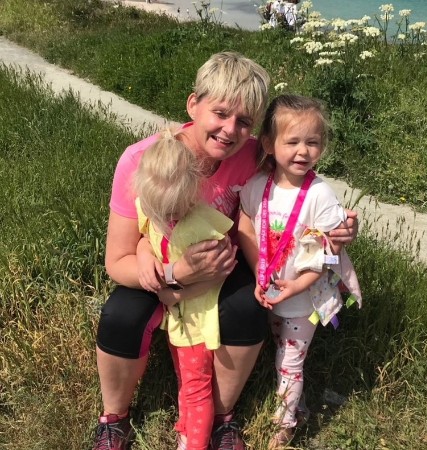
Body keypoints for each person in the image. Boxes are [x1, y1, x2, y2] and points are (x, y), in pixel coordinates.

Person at [93, 51, 358, 450]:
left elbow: (298, 184)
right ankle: (114, 419)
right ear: (193, 104)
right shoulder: (143, 160)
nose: (230, 130)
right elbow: (117, 261)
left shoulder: (253, 156)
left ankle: (222, 417)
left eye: (244, 121)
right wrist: (173, 278)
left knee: (247, 309)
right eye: (220, 113)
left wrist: (336, 225)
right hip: (158, 269)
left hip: (222, 270)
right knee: (121, 315)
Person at [238, 94, 362, 449]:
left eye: (312, 142)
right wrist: (259, 274)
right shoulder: (256, 186)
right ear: (268, 144)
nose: (303, 151)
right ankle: (300, 405)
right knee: (279, 351)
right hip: (269, 291)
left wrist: (297, 286)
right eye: (292, 142)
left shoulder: (321, 195)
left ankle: (285, 425)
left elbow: (327, 253)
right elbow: (245, 224)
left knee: (289, 361)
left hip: (303, 299)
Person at [134, 130, 234, 450]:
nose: (165, 218)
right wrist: (143, 256)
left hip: (196, 321)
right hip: (177, 320)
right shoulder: (150, 207)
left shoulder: (203, 225)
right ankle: (187, 427)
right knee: (184, 377)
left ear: (193, 194)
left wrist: (176, 294)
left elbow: (222, 270)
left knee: (197, 387)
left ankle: (196, 442)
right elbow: (144, 237)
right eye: (159, 211)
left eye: (172, 211)